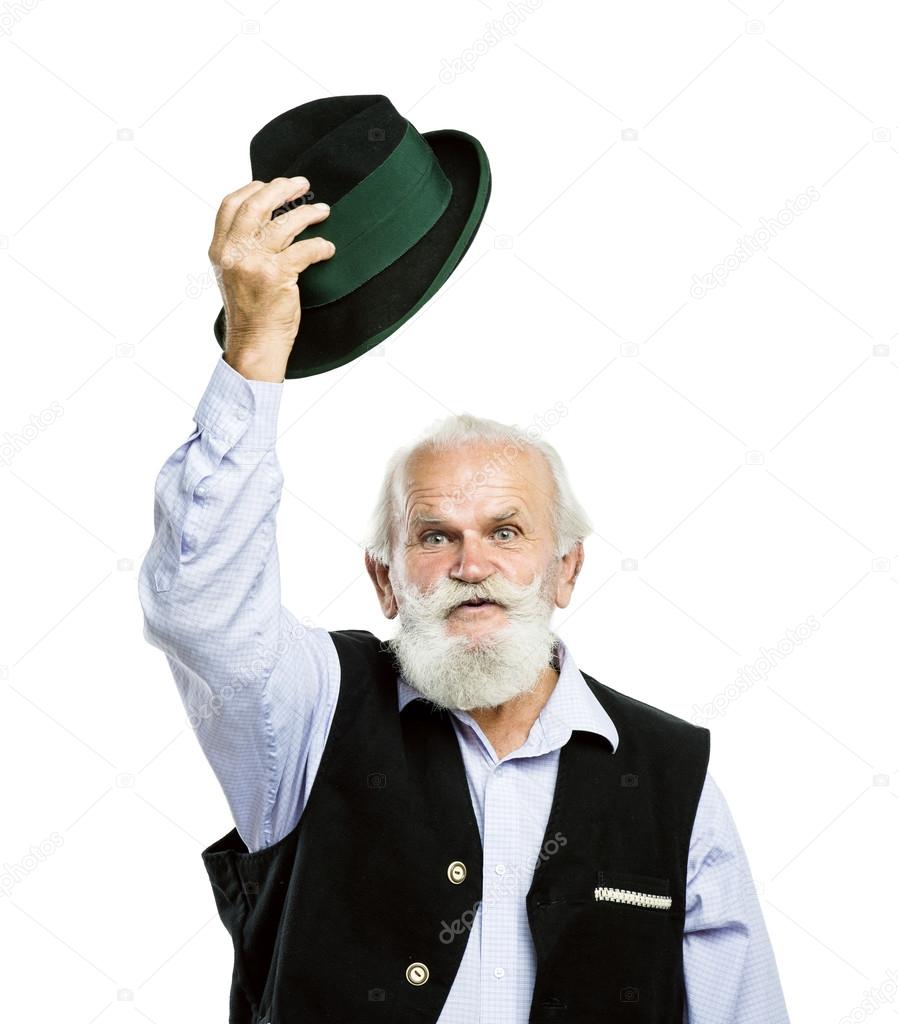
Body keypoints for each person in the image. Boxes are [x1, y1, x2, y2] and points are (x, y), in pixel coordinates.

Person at [138, 176, 790, 1023]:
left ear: (566, 570)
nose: (472, 563)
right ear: (385, 580)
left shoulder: (674, 776)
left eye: (508, 533)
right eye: (435, 536)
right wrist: (256, 349)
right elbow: (200, 605)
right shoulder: (308, 713)